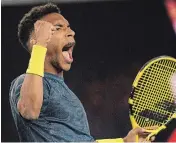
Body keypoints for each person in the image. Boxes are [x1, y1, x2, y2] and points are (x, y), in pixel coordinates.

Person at [9, 3, 155, 142]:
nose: (71, 32)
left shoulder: (66, 93)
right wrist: (40, 45)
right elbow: (29, 110)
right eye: (58, 28)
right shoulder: (24, 83)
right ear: (37, 39)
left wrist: (123, 141)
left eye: (69, 27)